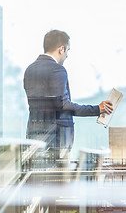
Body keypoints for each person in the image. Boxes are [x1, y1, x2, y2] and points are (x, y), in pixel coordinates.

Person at [23, 29, 113, 165]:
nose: (67, 56)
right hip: (55, 141)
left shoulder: (30, 69)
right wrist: (96, 109)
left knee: (37, 179)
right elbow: (62, 105)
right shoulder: (57, 69)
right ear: (61, 49)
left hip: (34, 135)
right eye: (67, 51)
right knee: (56, 182)